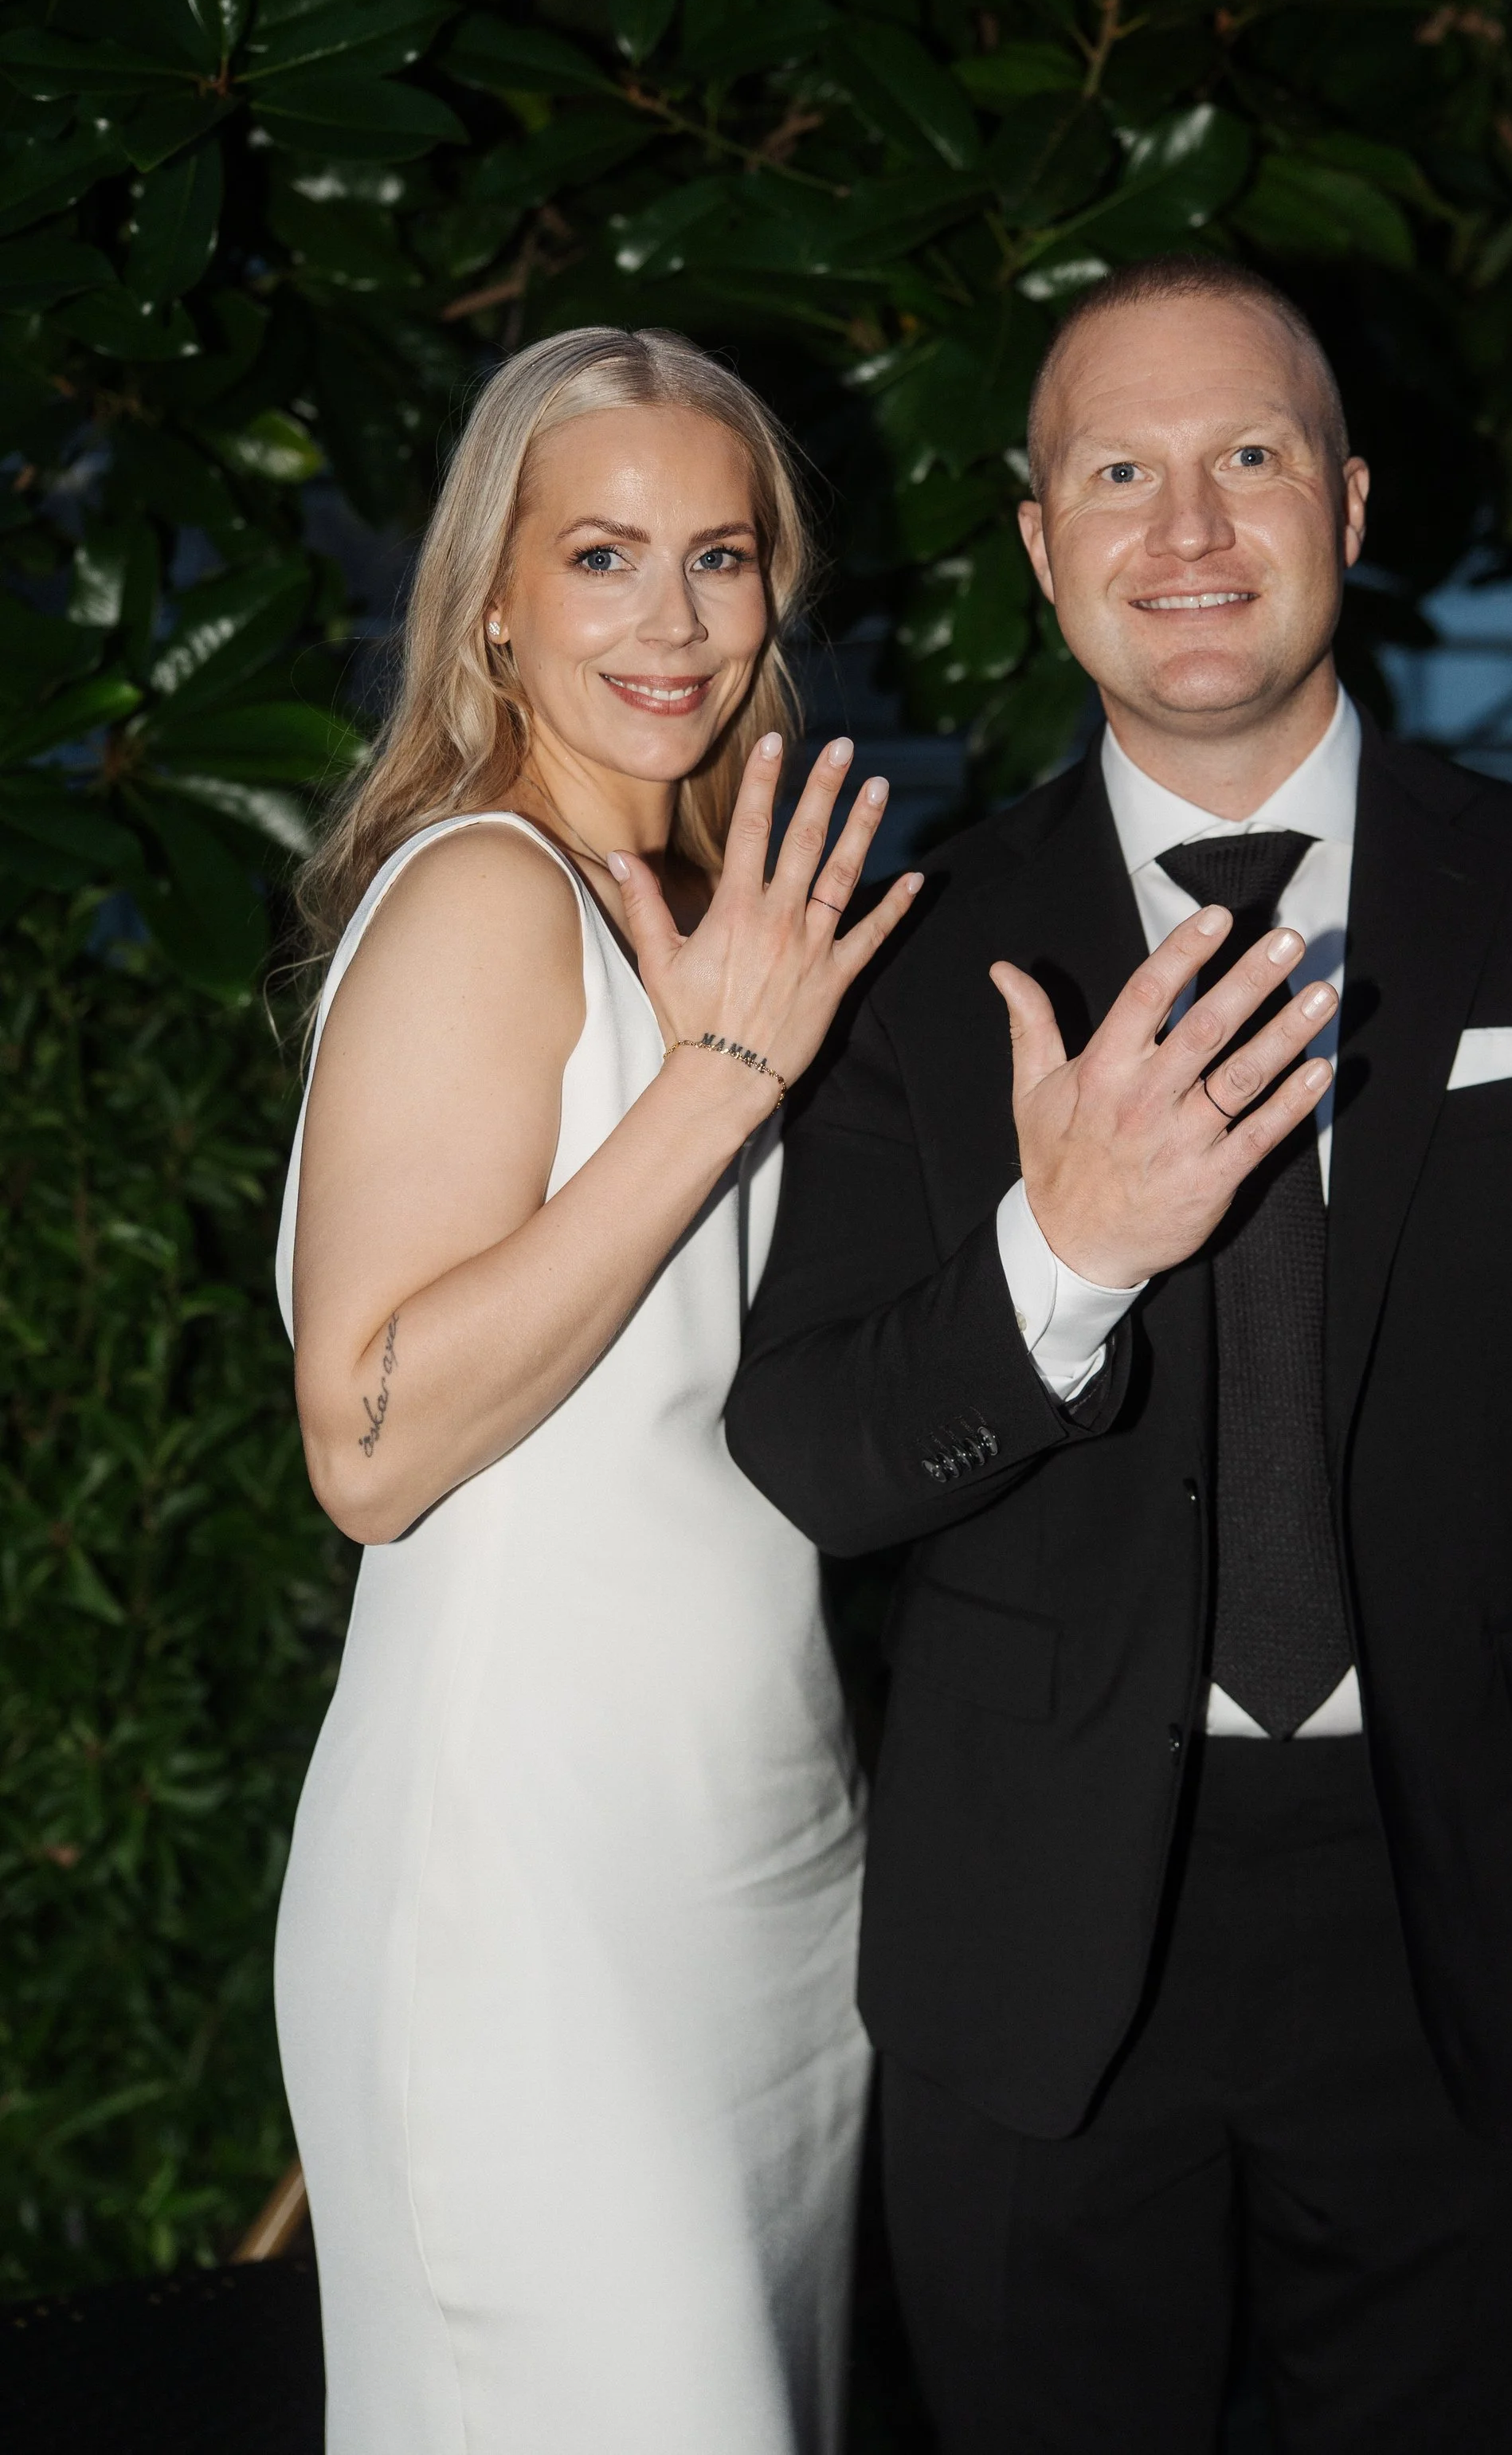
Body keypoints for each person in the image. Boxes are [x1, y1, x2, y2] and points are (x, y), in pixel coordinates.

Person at [727, 253, 1512, 2453]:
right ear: (1040, 547)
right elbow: (816, 1452)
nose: (1187, 529)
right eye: (1118, 473)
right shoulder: (906, 960)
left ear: (1347, 499)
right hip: (1038, 1952)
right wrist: (1060, 1249)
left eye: (1246, 455)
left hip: (1477, 1917)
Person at [273, 325, 921, 2455]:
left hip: (748, 1871)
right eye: (603, 555)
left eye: (719, 556)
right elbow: (366, 1444)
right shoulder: (482, 890)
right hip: (531, 1895)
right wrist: (722, 1080)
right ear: (493, 602)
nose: (671, 620)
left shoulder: (708, 916)